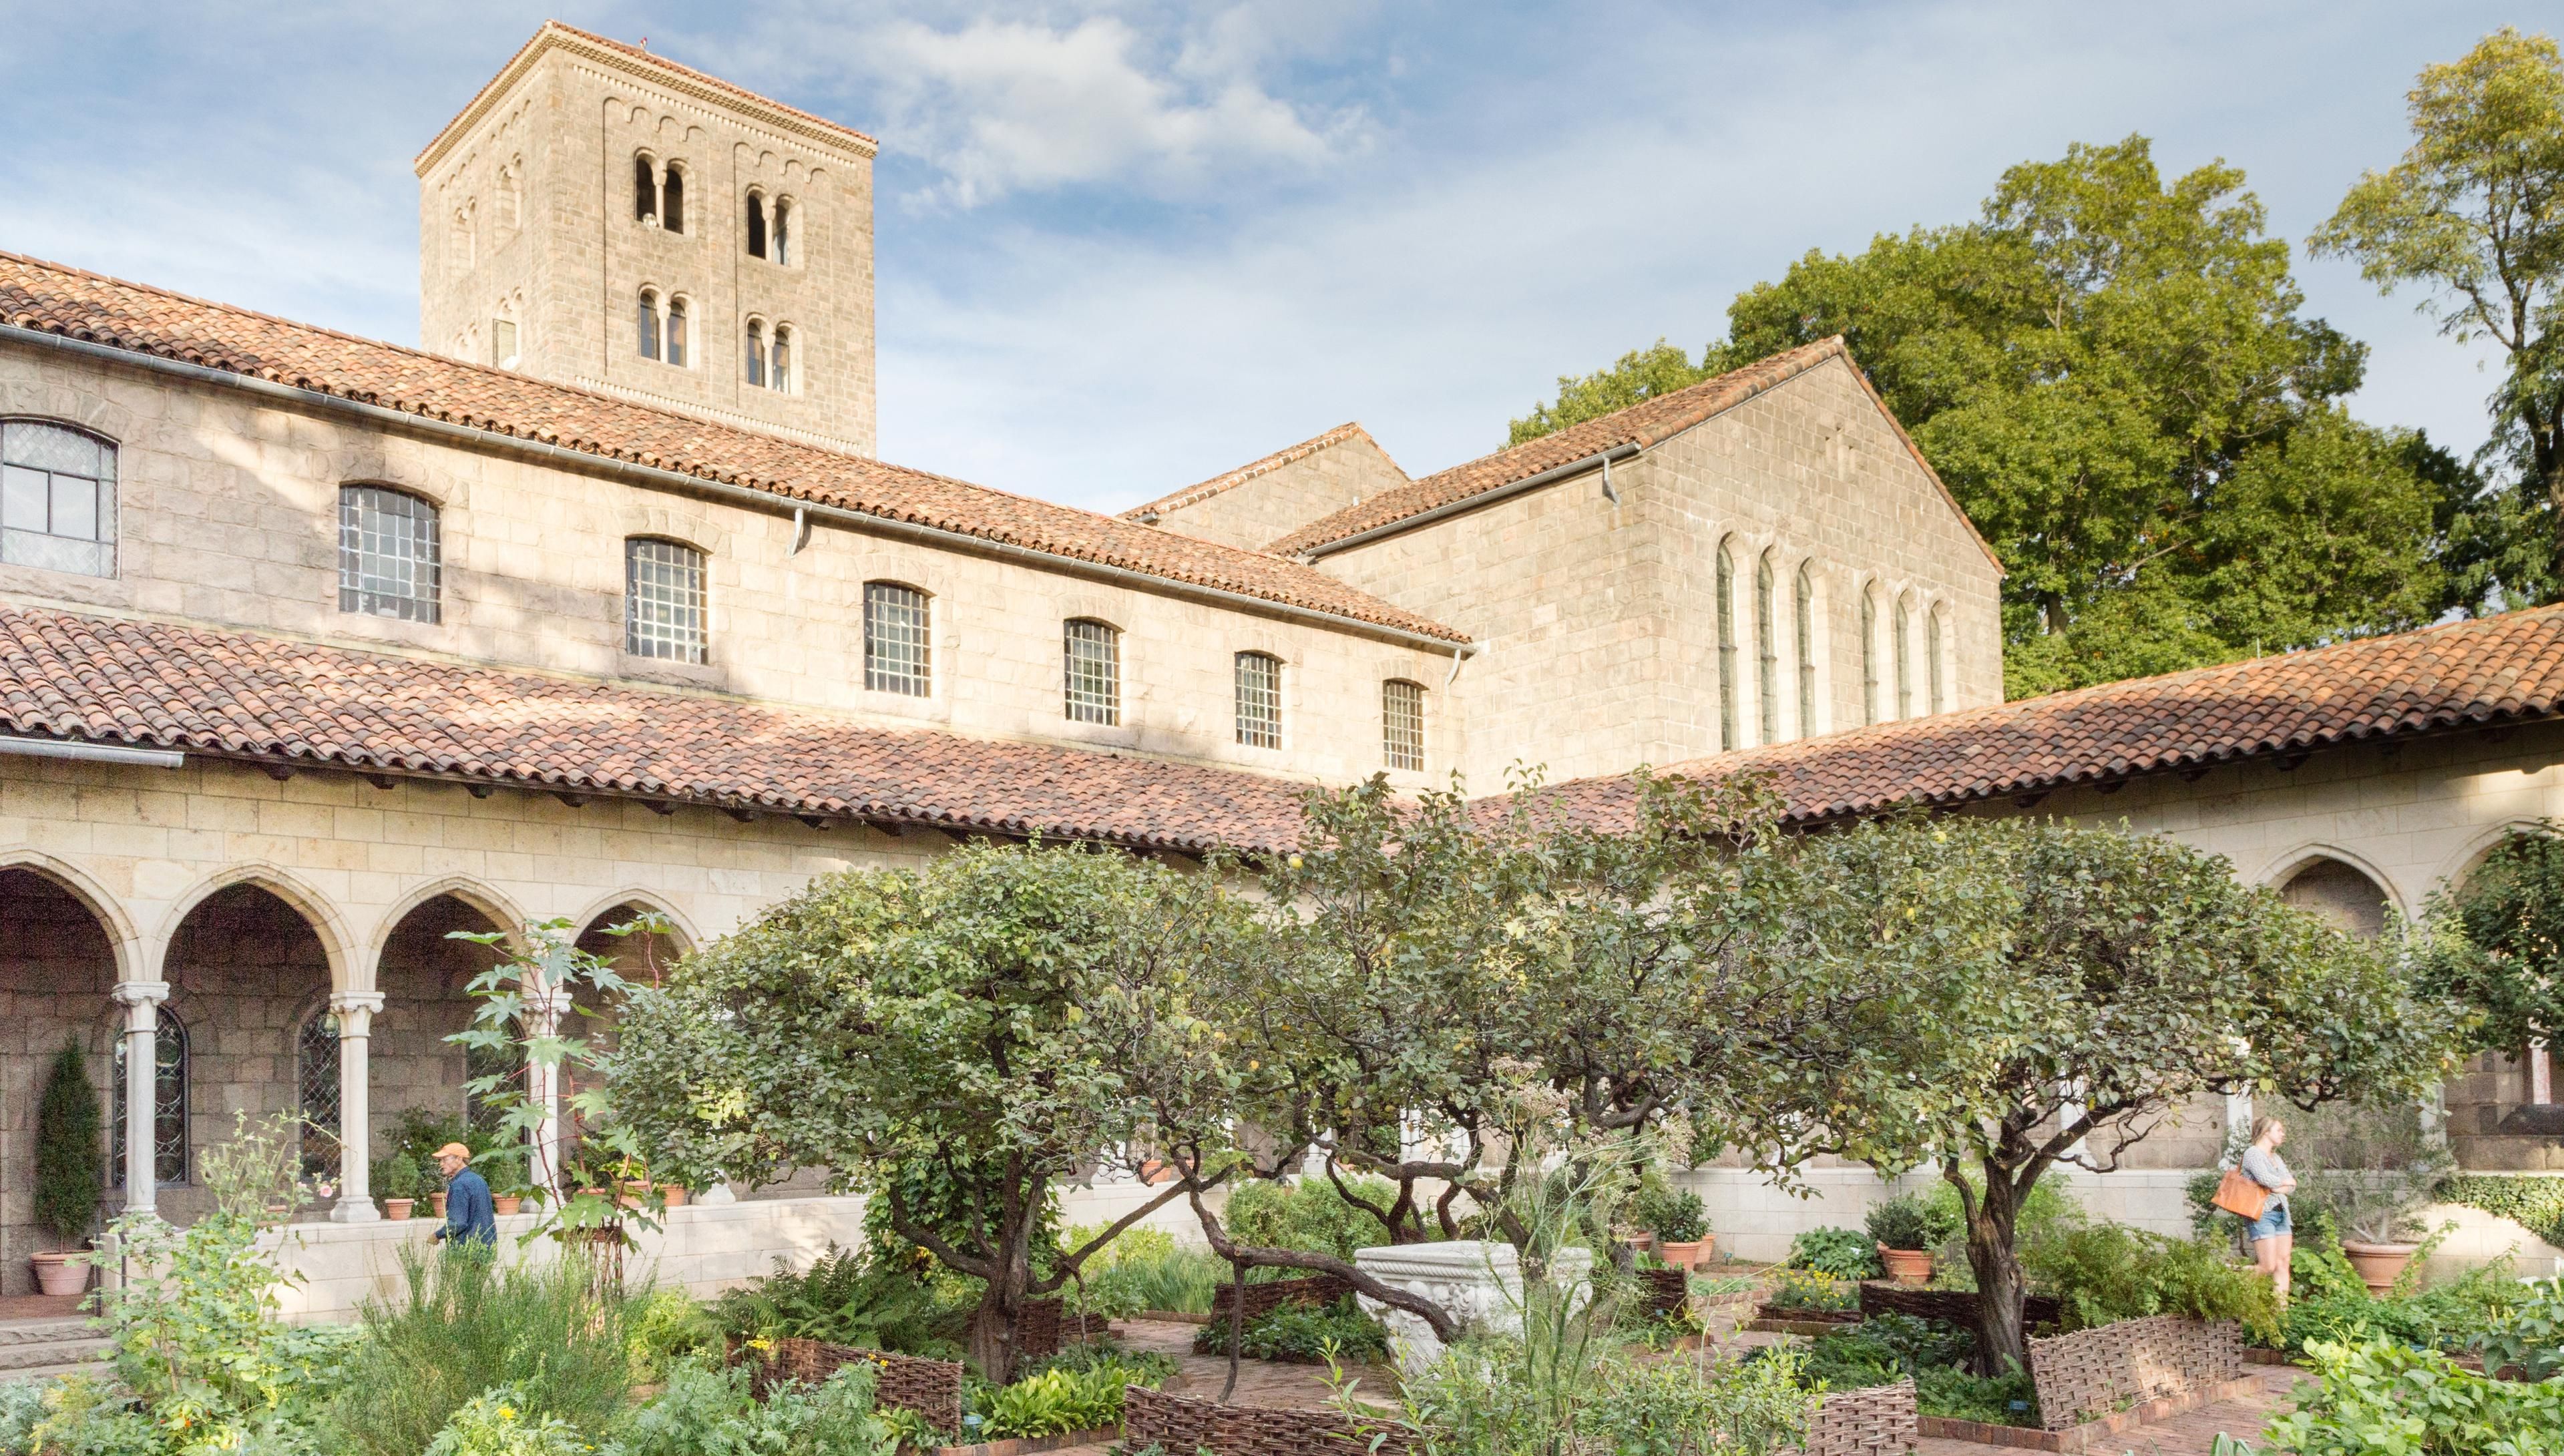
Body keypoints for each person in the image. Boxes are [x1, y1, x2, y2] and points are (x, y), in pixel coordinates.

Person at [2239, 1115, 2296, 1302]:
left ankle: (2282, 1315)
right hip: (2262, 1214)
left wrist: (2281, 1185)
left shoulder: (2276, 1158)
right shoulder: (2253, 1154)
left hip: (2282, 1214)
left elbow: (2292, 1185)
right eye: (2279, 1130)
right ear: (2266, 1132)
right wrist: (2281, 1184)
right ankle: (2233, 1280)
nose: (2283, 1134)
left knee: (2283, 1264)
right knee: (2267, 1266)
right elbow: (2267, 1181)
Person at [431, 1141, 496, 1248]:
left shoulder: (460, 1185)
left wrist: (437, 1235)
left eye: (445, 1159)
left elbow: (458, 1223)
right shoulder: (479, 1180)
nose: (441, 1164)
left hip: (466, 1249)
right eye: (440, 1160)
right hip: (486, 1247)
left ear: (459, 1159)